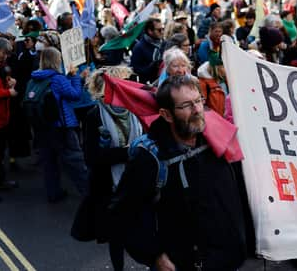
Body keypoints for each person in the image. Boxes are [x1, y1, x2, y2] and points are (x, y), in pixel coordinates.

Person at [111, 76, 247, 270]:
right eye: (186, 105)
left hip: (228, 259)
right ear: (166, 115)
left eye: (199, 100)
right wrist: (155, 256)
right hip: (187, 264)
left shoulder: (217, 140)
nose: (198, 110)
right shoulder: (150, 158)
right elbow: (123, 213)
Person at [72, 66, 143, 271]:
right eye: (123, 84)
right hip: (109, 186)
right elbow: (91, 157)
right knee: (116, 235)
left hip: (137, 180)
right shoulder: (94, 116)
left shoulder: (136, 109)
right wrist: (127, 153)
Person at [30, 47, 89, 202]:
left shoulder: (35, 77)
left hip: (42, 126)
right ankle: (89, 193)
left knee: (50, 162)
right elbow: (75, 95)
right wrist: (76, 77)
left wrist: (69, 76)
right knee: (75, 160)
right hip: (62, 125)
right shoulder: (57, 78)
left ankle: (53, 192)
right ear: (56, 60)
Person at [0, 38, 18, 194]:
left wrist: (9, 83)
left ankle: (1, 180)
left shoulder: (2, 66)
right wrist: (7, 92)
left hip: (3, 116)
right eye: (4, 53)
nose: (5, 56)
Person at [130, 18, 164, 84]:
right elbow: (135, 69)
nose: (162, 32)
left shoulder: (163, 43)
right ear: (150, 31)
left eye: (163, 29)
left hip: (163, 83)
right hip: (148, 85)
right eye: (159, 30)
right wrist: (153, 66)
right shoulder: (139, 47)